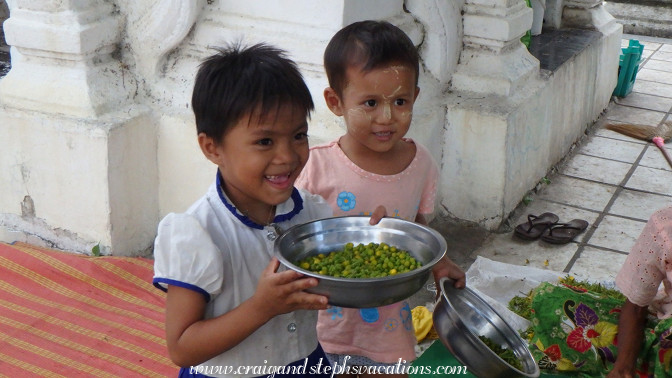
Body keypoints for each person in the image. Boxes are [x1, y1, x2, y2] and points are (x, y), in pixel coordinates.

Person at [152, 42, 386, 378]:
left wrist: (372, 236)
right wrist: (261, 308)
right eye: (265, 141)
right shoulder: (198, 233)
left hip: (307, 365)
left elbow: (345, 268)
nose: (287, 156)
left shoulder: (312, 214)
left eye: (298, 135)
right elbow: (182, 347)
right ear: (212, 147)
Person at [296, 20, 466, 378]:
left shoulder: (420, 164)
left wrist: (440, 263)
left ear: (415, 98)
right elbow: (292, 237)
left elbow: (420, 231)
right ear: (335, 102)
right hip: (322, 330)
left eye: (400, 101)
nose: (387, 117)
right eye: (370, 102)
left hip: (389, 331)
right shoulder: (315, 166)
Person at [608, 206, 672, 377]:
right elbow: (636, 305)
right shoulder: (664, 224)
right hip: (667, 325)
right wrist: (623, 367)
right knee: (548, 298)